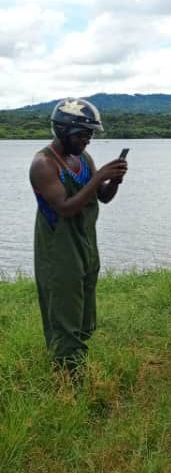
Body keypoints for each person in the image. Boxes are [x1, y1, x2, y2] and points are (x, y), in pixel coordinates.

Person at [29, 98, 128, 373]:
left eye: (91, 134)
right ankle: (67, 378)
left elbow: (103, 197)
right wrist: (99, 178)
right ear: (63, 131)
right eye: (83, 134)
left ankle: (76, 367)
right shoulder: (44, 164)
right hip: (58, 250)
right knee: (64, 313)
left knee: (84, 314)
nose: (88, 140)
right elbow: (65, 208)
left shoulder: (83, 158)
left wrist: (114, 179)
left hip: (85, 244)